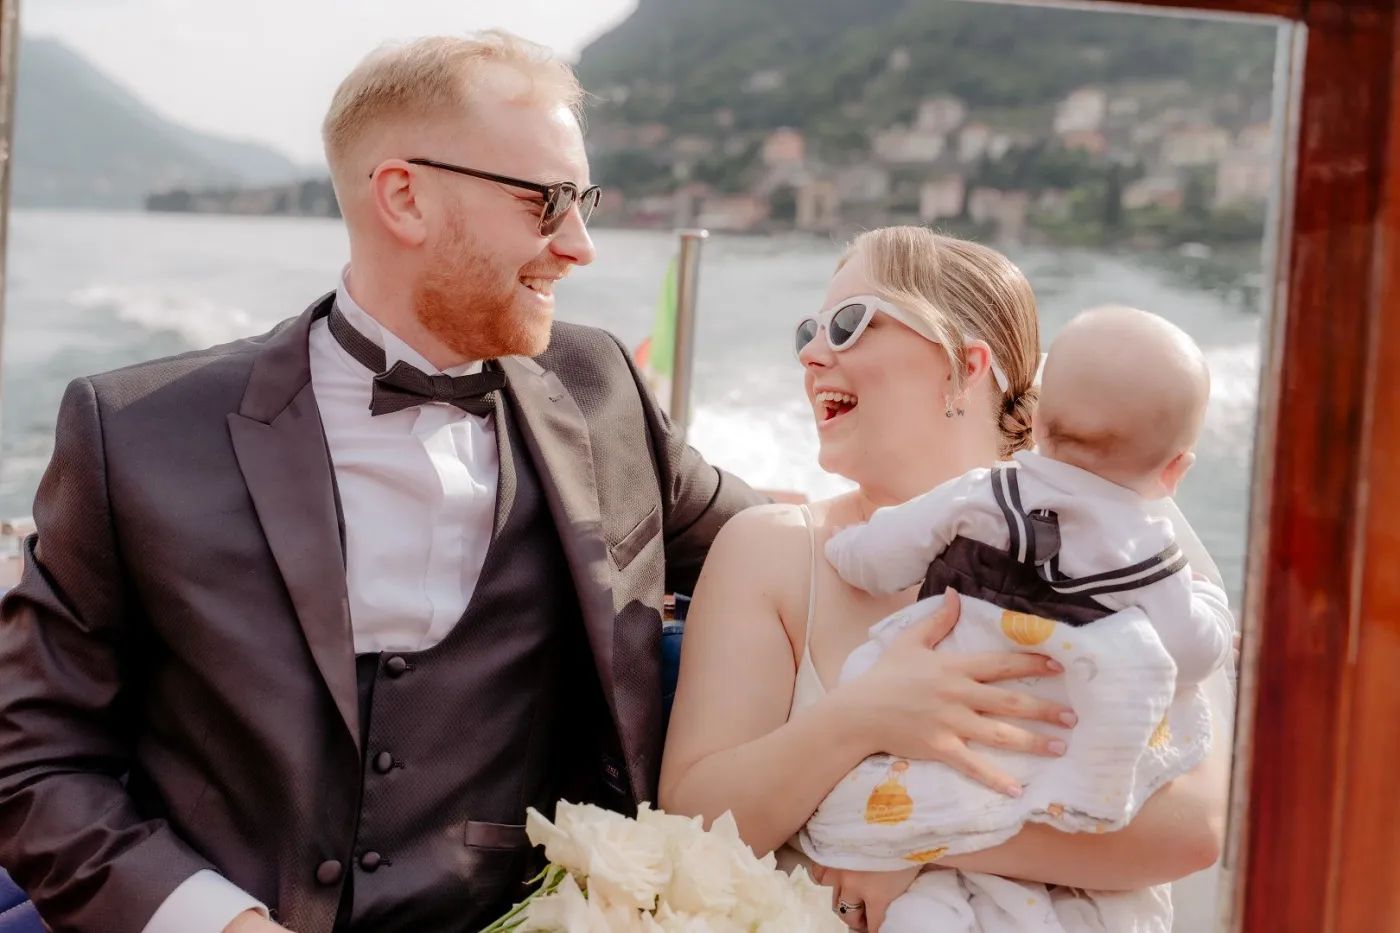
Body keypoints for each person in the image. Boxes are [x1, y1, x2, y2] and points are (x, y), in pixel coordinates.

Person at [0, 30, 762, 933]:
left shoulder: (603, 395)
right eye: (547, 202)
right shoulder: (134, 433)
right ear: (404, 197)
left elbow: (772, 553)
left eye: (583, 200)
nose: (581, 246)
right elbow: (34, 761)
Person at [659, 227, 1229, 932]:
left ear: (965, 364)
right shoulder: (774, 553)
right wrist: (865, 713)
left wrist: (911, 841)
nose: (811, 354)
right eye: (810, 330)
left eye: (849, 323)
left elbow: (1195, 826)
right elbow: (695, 812)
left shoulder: (1123, 536)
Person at [800, 305, 1235, 931]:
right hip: (1060, 770)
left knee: (933, 903)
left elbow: (878, 555)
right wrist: (1210, 602)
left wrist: (839, 547)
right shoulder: (1152, 558)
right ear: (1174, 470)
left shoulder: (983, 495)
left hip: (953, 752)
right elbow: (1195, 653)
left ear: (1033, 424)